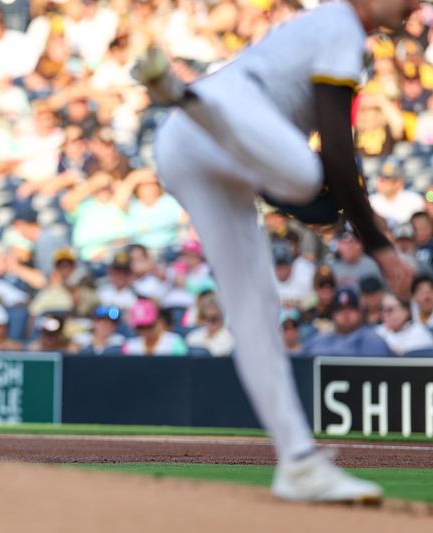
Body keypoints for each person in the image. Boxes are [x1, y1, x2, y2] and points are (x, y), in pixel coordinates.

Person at [135, 0, 418, 502]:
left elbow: (314, 186)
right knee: (309, 174)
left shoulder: (329, 29)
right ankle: (185, 96)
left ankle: (298, 461)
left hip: (194, 149)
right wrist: (379, 246)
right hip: (219, 119)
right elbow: (335, 149)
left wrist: (331, 210)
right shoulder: (341, 25)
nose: (415, 4)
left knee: (256, 311)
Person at [302, 288, 393, 357]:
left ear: (360, 312)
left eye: (351, 309)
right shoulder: (319, 340)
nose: (346, 314)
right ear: (333, 315)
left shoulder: (372, 340)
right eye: (340, 310)